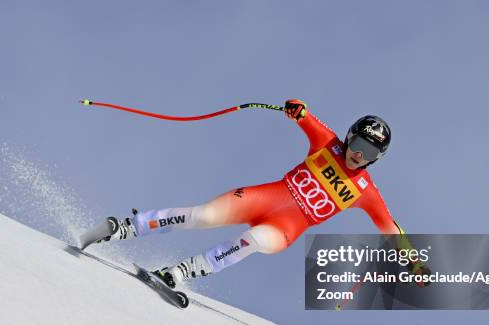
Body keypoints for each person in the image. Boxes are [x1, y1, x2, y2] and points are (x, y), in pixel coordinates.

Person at [86, 99, 429, 288]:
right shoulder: (328, 144)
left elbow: (390, 229)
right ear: (349, 137)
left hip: (285, 228)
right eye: (357, 145)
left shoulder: (365, 191)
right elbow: (305, 114)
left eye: (368, 154)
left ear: (376, 160)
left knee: (254, 241)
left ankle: (181, 273)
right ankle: (127, 227)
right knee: (203, 215)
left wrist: (413, 261)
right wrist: (296, 109)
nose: (358, 155)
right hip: (263, 197)